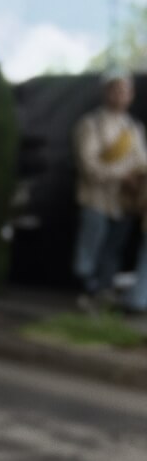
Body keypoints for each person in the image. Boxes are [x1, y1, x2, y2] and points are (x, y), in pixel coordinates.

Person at [72, 74, 147, 311]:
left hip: (123, 201)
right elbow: (89, 164)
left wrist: (138, 178)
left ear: (131, 95)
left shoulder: (133, 128)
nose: (120, 95)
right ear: (107, 93)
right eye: (115, 90)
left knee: (112, 250)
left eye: (124, 91)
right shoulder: (90, 124)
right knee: (91, 246)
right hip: (96, 198)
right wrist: (121, 175)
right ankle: (84, 291)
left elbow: (140, 161)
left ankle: (102, 293)